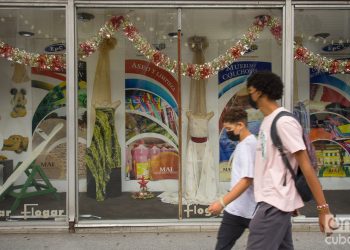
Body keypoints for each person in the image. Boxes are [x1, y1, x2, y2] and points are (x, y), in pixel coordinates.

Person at [245, 71, 333, 250]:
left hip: (273, 204)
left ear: (261, 92)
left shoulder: (283, 122)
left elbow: (305, 165)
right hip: (274, 203)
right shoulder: (267, 121)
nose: (249, 96)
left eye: (250, 91)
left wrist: (324, 209)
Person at [208, 107, 257, 250]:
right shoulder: (246, 143)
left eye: (229, 129)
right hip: (237, 208)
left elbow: (247, 180)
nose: (227, 133)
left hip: (247, 210)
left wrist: (222, 202)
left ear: (240, 125)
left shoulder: (248, 145)